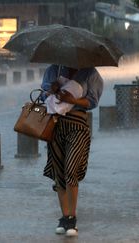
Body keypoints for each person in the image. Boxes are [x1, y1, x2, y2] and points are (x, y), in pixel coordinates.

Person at [40, 64, 103, 236]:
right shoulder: (54, 70)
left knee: (71, 169)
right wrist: (52, 90)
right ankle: (64, 217)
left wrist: (73, 100)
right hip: (55, 125)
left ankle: (72, 218)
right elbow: (42, 95)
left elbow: (92, 101)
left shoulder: (90, 73)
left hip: (78, 126)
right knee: (59, 172)